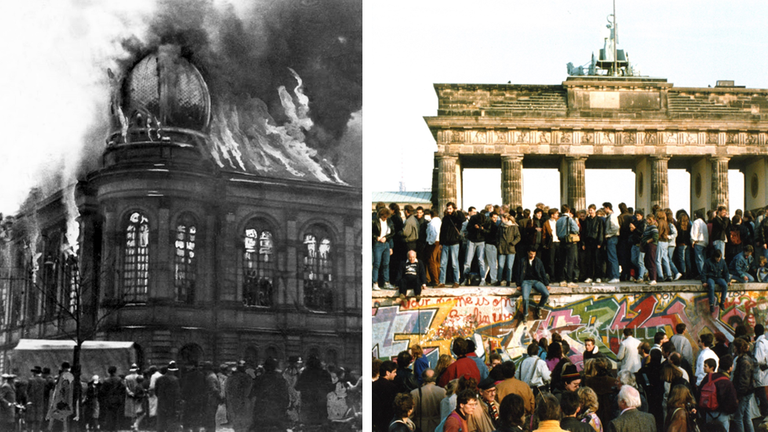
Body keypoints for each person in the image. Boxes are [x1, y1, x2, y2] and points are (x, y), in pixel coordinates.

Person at [697, 357, 737, 430]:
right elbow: (732, 401)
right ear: (730, 368)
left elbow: (699, 392)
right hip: (722, 414)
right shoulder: (728, 382)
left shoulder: (709, 377)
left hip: (708, 412)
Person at [250, 358, 289, 431]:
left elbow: (252, 394)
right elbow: (285, 396)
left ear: (265, 367)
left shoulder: (260, 378)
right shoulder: (280, 378)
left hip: (262, 413)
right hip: (276, 412)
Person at [514, 248, 550, 323]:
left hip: (536, 281)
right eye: (531, 253)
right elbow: (517, 272)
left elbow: (543, 273)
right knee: (525, 298)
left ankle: (539, 307)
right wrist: (518, 284)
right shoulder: (522, 261)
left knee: (546, 293)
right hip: (525, 281)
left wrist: (546, 284)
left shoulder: (538, 261)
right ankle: (525, 314)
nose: (532, 255)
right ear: (527, 253)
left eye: (534, 253)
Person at [731, 337, 757, 432]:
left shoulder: (743, 361)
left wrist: (739, 395)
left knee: (738, 418)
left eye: (734, 347)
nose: (733, 349)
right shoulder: (745, 359)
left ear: (738, 348)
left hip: (744, 393)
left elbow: (743, 381)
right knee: (746, 416)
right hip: (747, 392)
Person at [439, 202, 466, 288]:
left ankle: (456, 281)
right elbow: (442, 231)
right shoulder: (445, 218)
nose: (448, 210)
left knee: (454, 263)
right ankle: (441, 282)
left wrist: (457, 211)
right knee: (443, 263)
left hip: (454, 243)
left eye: (450, 208)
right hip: (446, 243)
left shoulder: (457, 218)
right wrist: (441, 242)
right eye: (447, 208)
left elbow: (463, 219)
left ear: (453, 209)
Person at [373, 207, 396, 290]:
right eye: (383, 217)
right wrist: (376, 237)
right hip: (378, 244)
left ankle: (386, 282)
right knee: (377, 263)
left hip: (386, 243)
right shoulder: (374, 221)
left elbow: (393, 232)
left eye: (386, 217)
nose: (385, 218)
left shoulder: (389, 221)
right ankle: (375, 282)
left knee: (386, 264)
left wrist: (386, 238)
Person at [373, 360, 399, 432]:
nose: (395, 374)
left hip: (376, 422)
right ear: (387, 373)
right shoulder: (392, 387)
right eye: (394, 372)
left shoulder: (373, 385)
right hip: (388, 421)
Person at [498, 212, 521, 287]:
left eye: (502, 218)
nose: (501, 219)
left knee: (509, 266)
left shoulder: (514, 227)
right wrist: (498, 244)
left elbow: (518, 237)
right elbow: (497, 236)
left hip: (510, 248)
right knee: (500, 265)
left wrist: (513, 243)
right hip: (502, 248)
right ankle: (499, 280)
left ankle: (508, 280)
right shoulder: (500, 226)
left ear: (506, 218)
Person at [425, 209, 443, 286]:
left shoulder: (432, 222)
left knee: (431, 261)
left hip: (434, 243)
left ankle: (434, 280)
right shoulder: (440, 221)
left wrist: (430, 242)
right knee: (438, 261)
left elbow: (434, 232)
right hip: (440, 242)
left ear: (430, 215)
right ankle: (438, 279)